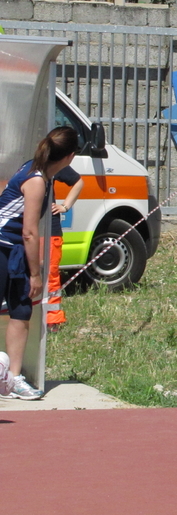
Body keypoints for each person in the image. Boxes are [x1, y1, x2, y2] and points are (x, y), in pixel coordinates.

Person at [0, 126, 79, 400]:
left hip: (15, 251)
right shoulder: (36, 180)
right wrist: (36, 274)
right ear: (69, 156)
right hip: (4, 248)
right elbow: (30, 232)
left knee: (21, 311)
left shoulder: (43, 173)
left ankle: (12, 379)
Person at [47, 165, 84, 332]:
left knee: (50, 276)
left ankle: (52, 320)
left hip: (49, 230)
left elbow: (78, 182)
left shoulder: (49, 159)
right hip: (22, 228)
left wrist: (65, 206)